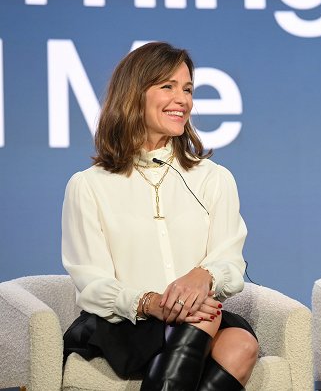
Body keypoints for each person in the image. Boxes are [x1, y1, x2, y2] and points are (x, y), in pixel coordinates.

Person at [61, 42, 258, 390]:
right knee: (208, 320)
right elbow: (92, 282)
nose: (182, 99)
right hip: (125, 321)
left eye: (188, 89)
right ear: (133, 94)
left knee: (239, 342)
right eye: (167, 86)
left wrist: (205, 276)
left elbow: (230, 262)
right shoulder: (89, 185)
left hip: (195, 316)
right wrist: (150, 302)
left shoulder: (213, 178)